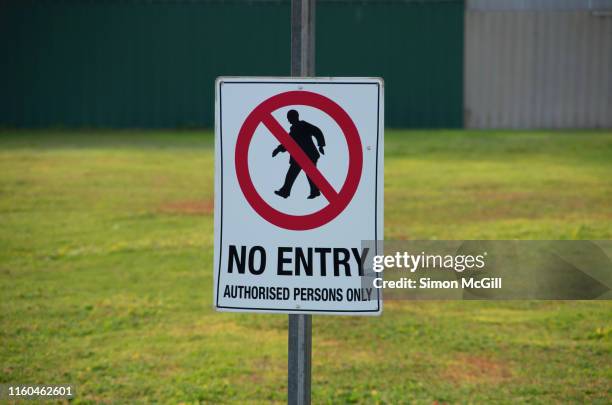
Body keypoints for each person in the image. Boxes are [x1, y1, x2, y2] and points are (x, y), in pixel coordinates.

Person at [272, 109, 325, 199]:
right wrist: (278, 149)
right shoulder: (296, 128)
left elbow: (316, 131)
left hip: (307, 155)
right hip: (300, 157)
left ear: (293, 117)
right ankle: (314, 191)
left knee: (299, 174)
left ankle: (286, 191)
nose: (288, 120)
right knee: (299, 174)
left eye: (289, 118)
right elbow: (288, 142)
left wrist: (321, 144)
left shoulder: (301, 125)